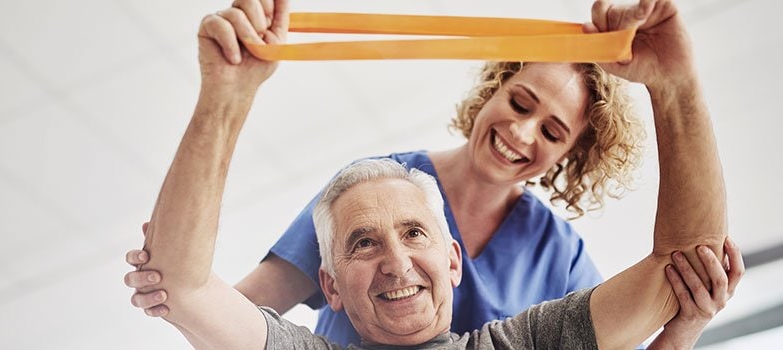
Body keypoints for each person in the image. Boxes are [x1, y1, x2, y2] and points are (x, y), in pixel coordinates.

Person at [125, 0, 741, 348]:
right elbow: (202, 293)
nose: (396, 261)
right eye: (363, 242)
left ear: (451, 258)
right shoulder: (365, 188)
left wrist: (675, 85)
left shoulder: (536, 297)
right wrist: (225, 96)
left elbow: (682, 272)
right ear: (330, 284)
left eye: (417, 234)